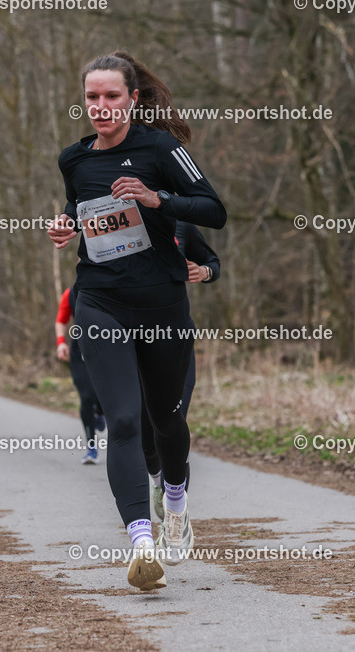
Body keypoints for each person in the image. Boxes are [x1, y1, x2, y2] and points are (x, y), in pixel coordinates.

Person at [47, 51, 226, 590]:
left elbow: (212, 210)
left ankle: (175, 497)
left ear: (133, 99)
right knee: (122, 420)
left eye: (112, 97)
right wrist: (66, 228)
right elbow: (83, 214)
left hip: (162, 305)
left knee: (167, 423)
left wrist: (156, 198)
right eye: (92, 98)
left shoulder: (159, 147)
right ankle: (141, 543)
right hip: (99, 300)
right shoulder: (74, 161)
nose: (101, 107)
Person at [143, 221, 221, 523]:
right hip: (135, 343)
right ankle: (155, 478)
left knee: (171, 424)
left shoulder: (181, 225)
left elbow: (212, 263)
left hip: (175, 340)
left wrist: (204, 272)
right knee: (146, 439)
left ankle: (176, 517)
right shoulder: (119, 221)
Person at [55, 283, 106, 464]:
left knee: (101, 394)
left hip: (105, 350)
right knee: (86, 397)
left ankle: (101, 412)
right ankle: (91, 448)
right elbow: (61, 320)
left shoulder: (107, 287)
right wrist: (61, 342)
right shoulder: (70, 293)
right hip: (79, 353)